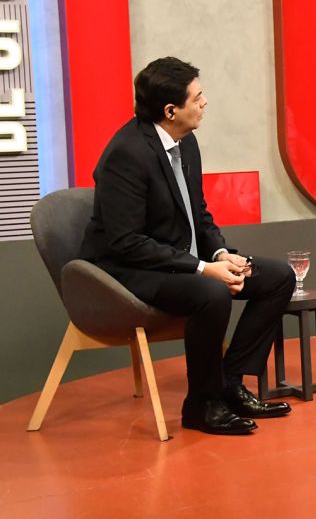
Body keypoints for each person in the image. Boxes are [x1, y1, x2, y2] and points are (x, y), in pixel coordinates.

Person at [80, 57, 296, 435]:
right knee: (211, 293)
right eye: (197, 98)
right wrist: (202, 269)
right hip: (129, 271)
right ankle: (201, 405)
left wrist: (220, 254)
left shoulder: (185, 141)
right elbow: (126, 242)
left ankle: (230, 384)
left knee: (278, 277)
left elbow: (198, 213)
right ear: (170, 110)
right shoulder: (127, 155)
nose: (204, 102)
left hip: (179, 261)